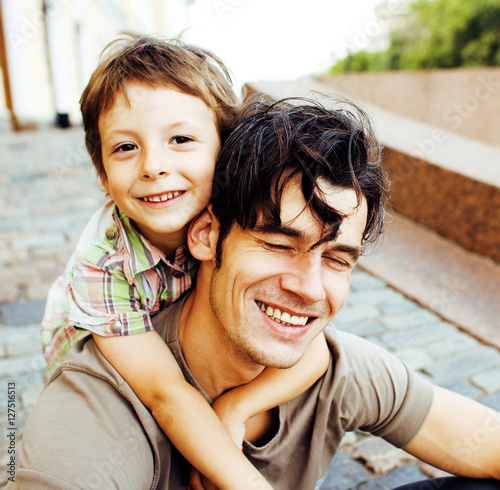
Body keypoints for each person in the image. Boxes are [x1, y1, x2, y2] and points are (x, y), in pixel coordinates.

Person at [16, 96, 500, 489]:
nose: (309, 289)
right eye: (277, 244)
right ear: (206, 234)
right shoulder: (102, 407)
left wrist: (237, 406)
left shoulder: (335, 369)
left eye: (335, 258)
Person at [38, 36, 332, 490]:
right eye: (125, 148)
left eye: (180, 139)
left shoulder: (240, 220)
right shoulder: (102, 266)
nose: (153, 166)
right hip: (103, 349)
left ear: (225, 148)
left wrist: (238, 407)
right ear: (101, 172)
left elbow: (318, 351)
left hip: (183, 336)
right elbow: (165, 393)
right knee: (131, 421)